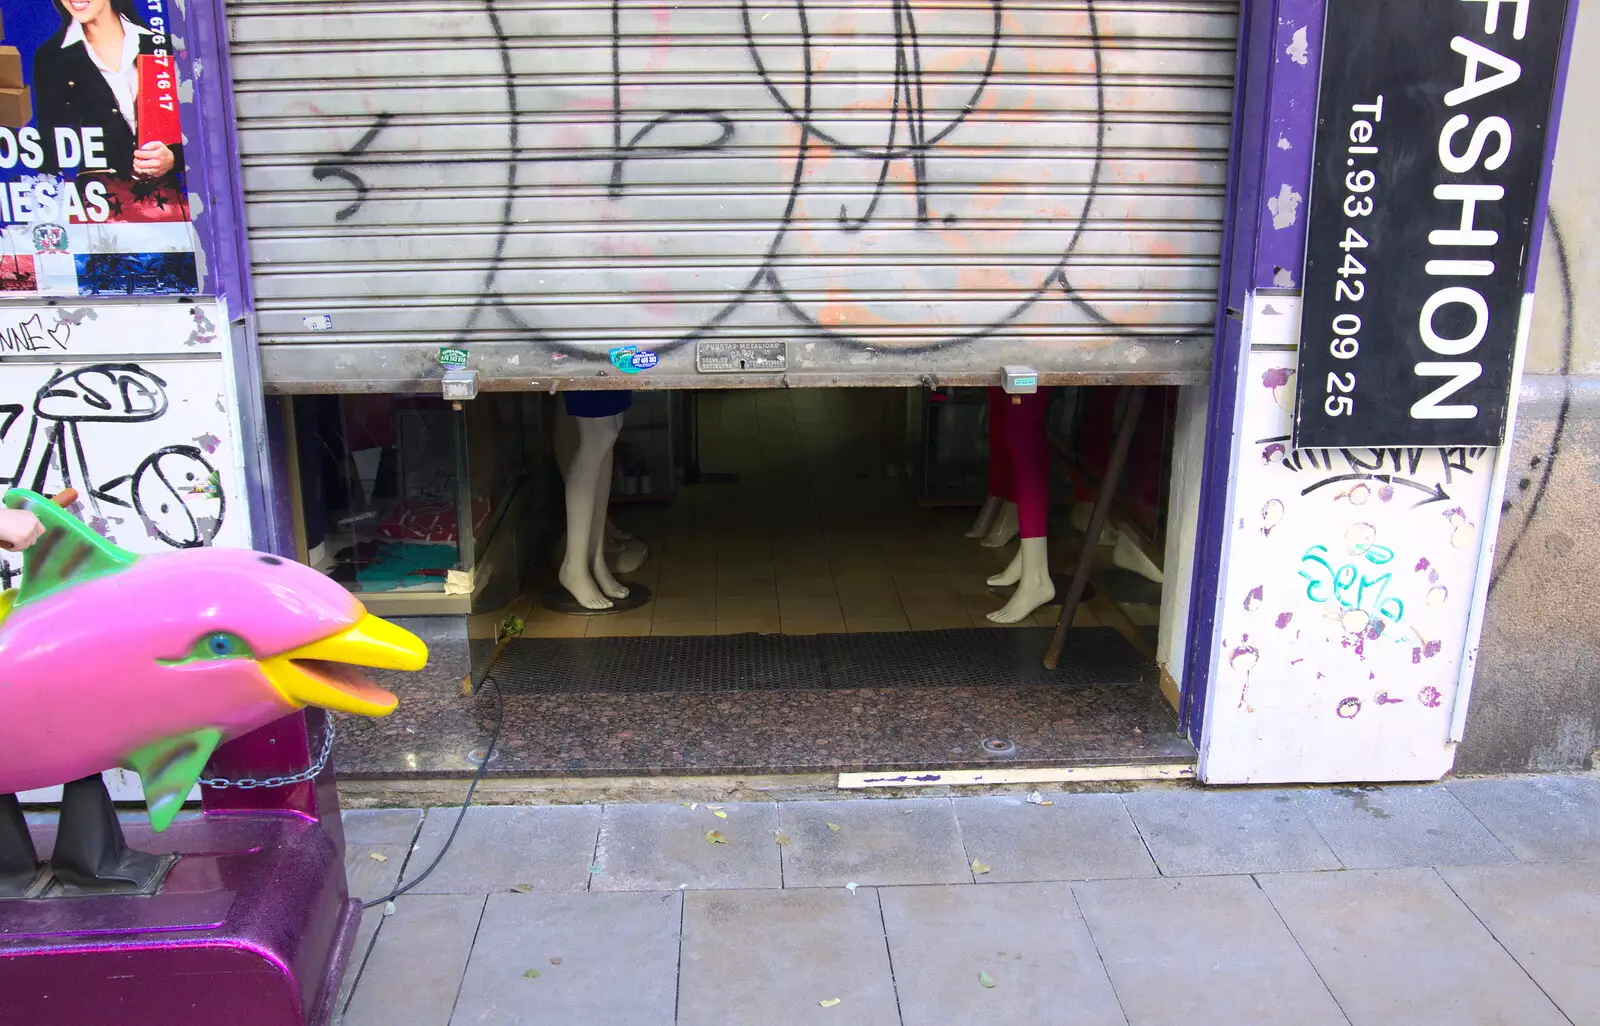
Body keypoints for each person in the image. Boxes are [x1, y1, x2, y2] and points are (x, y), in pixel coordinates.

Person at [32, 0, 179, 181]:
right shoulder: (51, 57)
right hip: (98, 200)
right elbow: (51, 149)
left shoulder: (160, 45)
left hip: (170, 200)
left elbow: (205, 126)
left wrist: (173, 158)